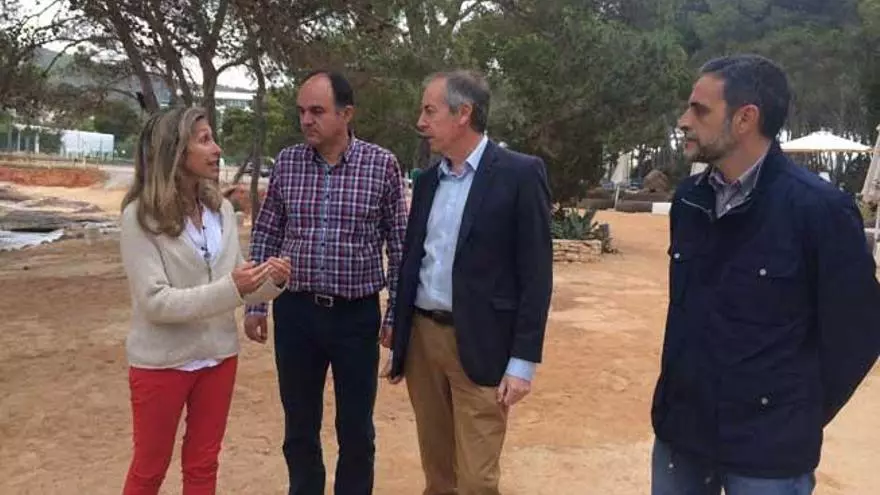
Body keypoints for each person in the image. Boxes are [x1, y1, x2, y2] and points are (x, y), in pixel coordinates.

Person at [651, 54, 880, 495]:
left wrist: (793, 415)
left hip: (769, 456)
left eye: (699, 110)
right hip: (681, 438)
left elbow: (859, 333)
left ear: (745, 119)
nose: (683, 121)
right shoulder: (689, 200)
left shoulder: (819, 210)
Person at [381, 70, 553, 495]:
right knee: (438, 475)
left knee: (476, 481)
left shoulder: (519, 174)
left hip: (482, 344)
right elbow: (412, 260)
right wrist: (399, 329)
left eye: (430, 111)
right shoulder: (427, 181)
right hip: (423, 341)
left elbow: (536, 274)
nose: (420, 122)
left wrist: (522, 362)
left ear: (463, 114)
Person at [244, 70, 408, 495]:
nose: (306, 120)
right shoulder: (288, 163)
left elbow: (400, 245)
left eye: (317, 111)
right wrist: (257, 303)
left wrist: (396, 315)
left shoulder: (382, 165)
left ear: (346, 114)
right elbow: (267, 233)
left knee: (356, 430)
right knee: (299, 427)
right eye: (301, 111)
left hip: (356, 318)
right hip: (296, 314)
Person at [118, 106, 291, 495]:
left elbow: (239, 281)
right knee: (149, 469)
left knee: (203, 464)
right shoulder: (139, 217)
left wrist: (272, 280)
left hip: (218, 358)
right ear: (175, 151)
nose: (217, 149)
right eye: (204, 140)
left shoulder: (221, 211)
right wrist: (233, 287)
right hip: (161, 364)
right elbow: (155, 302)